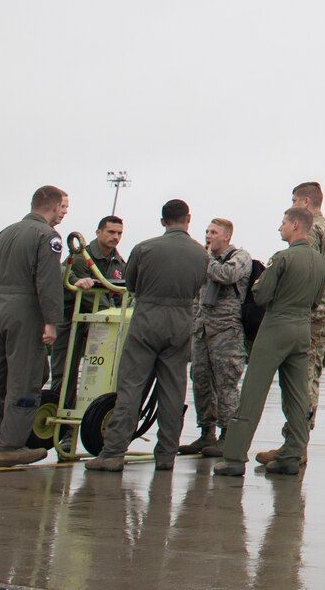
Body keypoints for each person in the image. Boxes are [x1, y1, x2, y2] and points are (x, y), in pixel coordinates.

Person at [84, 200, 210, 473]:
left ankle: (113, 452)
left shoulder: (144, 248)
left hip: (147, 317)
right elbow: (200, 284)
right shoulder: (201, 254)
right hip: (181, 320)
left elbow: (131, 283)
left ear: (162, 221)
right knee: (173, 390)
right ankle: (166, 455)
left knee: (131, 387)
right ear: (188, 218)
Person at [215, 207, 325, 477]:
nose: (280, 228)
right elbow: (316, 300)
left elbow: (262, 295)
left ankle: (234, 457)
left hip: (276, 325)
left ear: (296, 226)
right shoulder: (321, 262)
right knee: (297, 396)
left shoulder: (283, 258)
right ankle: (292, 454)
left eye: (283, 223)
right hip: (302, 329)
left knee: (252, 393)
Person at [0, 185, 69, 467]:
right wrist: (51, 322)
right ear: (54, 206)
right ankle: (10, 447)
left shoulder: (5, 233)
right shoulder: (48, 237)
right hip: (25, 312)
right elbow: (47, 283)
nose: (64, 213)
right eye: (64, 208)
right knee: (25, 380)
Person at [177, 217, 251, 458]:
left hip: (226, 333)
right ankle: (206, 432)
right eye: (207, 231)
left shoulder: (239, 257)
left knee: (226, 384)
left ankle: (228, 434)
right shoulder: (204, 260)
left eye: (214, 232)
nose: (208, 236)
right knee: (200, 381)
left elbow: (227, 275)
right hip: (201, 331)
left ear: (226, 236)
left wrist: (205, 259)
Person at [50, 213, 126, 398]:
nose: (115, 237)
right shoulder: (81, 257)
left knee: (105, 368)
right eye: (111, 232)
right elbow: (85, 292)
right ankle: (60, 410)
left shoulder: (119, 263)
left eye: (119, 233)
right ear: (99, 232)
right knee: (65, 370)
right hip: (71, 317)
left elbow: (119, 293)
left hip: (102, 320)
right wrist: (113, 312)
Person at [293, 181, 325, 426]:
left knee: (302, 375)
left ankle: (296, 440)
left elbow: (303, 270)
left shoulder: (312, 230)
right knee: (312, 373)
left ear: (305, 202)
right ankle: (299, 440)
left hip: (310, 314)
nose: (292, 206)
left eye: (294, 201)